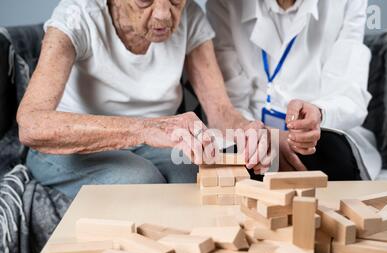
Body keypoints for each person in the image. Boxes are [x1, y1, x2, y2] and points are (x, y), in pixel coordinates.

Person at [17, 0, 267, 200]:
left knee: (191, 176)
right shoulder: (76, 16)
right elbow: (32, 124)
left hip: (153, 143)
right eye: (144, 1)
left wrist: (247, 129)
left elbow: (220, 110)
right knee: (139, 180)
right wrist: (144, 129)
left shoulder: (190, 15)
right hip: (73, 145)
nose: (163, 15)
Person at [206, 0, 382, 180]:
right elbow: (229, 103)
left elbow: (348, 93)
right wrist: (262, 137)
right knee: (239, 160)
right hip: (248, 127)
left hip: (319, 133)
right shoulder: (225, 4)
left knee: (327, 153)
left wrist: (318, 113)